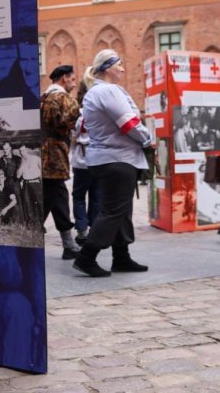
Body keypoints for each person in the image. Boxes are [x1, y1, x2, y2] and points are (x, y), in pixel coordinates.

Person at [73, 49, 153, 278]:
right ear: (107, 67)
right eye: (119, 64)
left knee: (121, 210)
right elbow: (128, 124)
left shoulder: (95, 92)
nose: (123, 68)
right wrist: (147, 140)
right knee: (113, 210)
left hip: (108, 158)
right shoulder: (107, 91)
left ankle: (121, 257)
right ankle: (86, 258)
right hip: (117, 158)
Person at [40, 65, 82, 259]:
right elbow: (72, 120)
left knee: (58, 195)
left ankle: (68, 244)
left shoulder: (43, 98)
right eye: (72, 79)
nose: (73, 83)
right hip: (53, 154)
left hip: (42, 152)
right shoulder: (62, 98)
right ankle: (32, 230)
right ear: (64, 78)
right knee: (50, 194)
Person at [71, 68, 101, 246]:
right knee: (96, 195)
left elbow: (73, 134)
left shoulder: (80, 113)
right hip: (97, 158)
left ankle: (82, 230)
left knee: (79, 195)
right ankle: (95, 228)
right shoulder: (99, 112)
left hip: (82, 160)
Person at [17, 144, 43, 227]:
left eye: (23, 150)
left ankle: (43, 223)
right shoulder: (22, 161)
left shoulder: (36, 158)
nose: (22, 153)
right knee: (28, 204)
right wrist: (22, 164)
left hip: (36, 183)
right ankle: (31, 223)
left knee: (40, 203)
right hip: (26, 184)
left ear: (28, 150)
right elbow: (18, 175)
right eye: (20, 151)